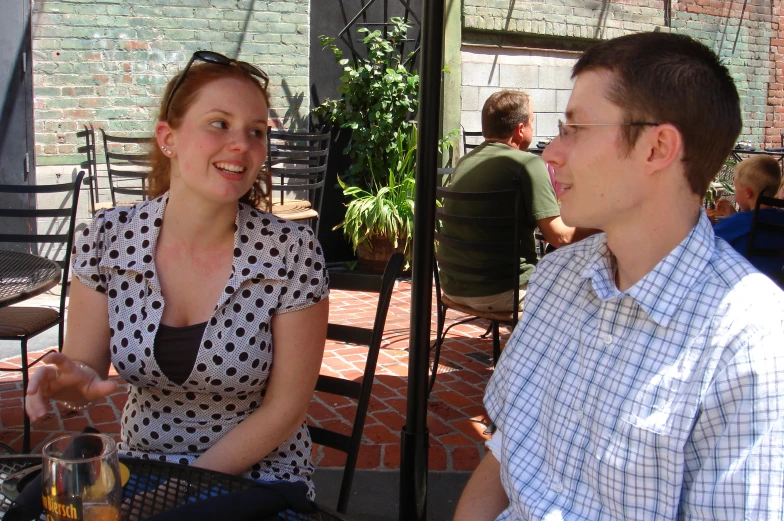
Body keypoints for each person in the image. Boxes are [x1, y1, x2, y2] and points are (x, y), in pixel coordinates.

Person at [455, 32, 784, 521]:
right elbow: (507, 454)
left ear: (657, 148)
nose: (551, 153)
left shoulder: (748, 341)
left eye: (576, 129)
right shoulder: (558, 277)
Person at [25, 51, 329, 498]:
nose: (242, 144)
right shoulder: (107, 240)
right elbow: (85, 369)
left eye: (257, 132)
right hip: (141, 466)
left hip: (260, 477)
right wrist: (73, 383)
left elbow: (284, 410)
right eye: (219, 123)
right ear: (168, 137)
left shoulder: (291, 252)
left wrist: (179, 495)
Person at [438, 90, 593, 312]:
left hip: (453, 287)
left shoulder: (466, 161)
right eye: (532, 121)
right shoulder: (527, 164)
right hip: (505, 292)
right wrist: (605, 224)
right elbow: (561, 236)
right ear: (520, 130)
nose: (532, 127)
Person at [713, 155, 784, 279]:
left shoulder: (738, 223)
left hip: (743, 282)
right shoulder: (779, 219)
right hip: (776, 284)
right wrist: (734, 216)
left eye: (736, 189)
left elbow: (707, 241)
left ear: (747, 192)